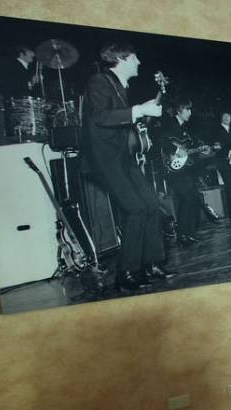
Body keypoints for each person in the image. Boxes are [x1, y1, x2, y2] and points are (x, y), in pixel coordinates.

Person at [81, 42, 175, 291]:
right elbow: (101, 117)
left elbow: (122, 118)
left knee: (152, 204)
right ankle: (125, 273)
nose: (139, 63)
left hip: (124, 157)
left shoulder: (120, 86)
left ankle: (151, 264)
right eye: (135, 58)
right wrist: (137, 110)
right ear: (121, 59)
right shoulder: (99, 81)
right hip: (106, 160)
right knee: (135, 208)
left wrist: (141, 115)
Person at [160, 99, 205, 246]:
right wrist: (176, 150)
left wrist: (201, 150)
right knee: (187, 198)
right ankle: (183, 235)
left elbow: (188, 150)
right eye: (188, 110)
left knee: (190, 199)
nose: (190, 113)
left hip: (184, 169)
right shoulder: (169, 124)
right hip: (173, 168)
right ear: (180, 110)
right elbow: (160, 140)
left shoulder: (185, 129)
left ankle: (187, 234)